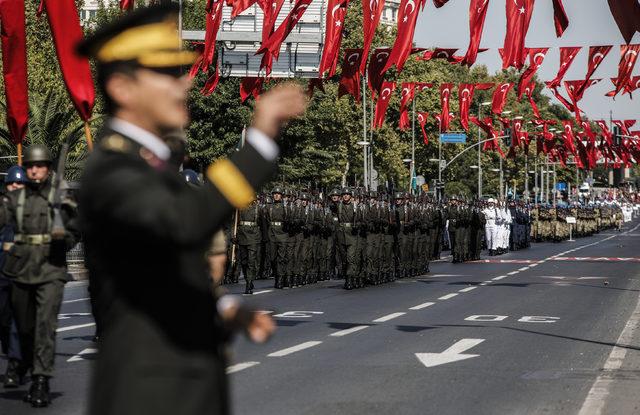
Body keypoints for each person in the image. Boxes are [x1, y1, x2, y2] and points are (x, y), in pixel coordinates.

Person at [76, 4, 306, 415]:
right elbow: (183, 223)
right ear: (122, 89)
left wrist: (222, 307)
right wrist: (258, 142)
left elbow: (156, 267)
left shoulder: (148, 164)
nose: (183, 84)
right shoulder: (113, 171)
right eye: (165, 74)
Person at [2, 146, 80, 407]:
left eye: (39, 166)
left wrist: (64, 240)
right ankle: (22, 361)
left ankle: (41, 381)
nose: (34, 170)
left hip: (51, 269)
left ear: (47, 168)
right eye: (30, 166)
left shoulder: (61, 197)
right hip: (22, 269)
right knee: (24, 327)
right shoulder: (16, 198)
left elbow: (76, 228)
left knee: (45, 327)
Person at [0, 166, 27, 388]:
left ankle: (16, 364)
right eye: (11, 183)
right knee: (4, 322)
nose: (15, 187)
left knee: (21, 322)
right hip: (2, 274)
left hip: (24, 275)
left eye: (19, 183)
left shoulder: (33, 209)